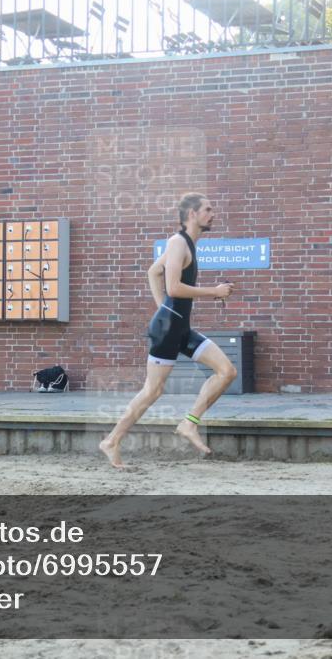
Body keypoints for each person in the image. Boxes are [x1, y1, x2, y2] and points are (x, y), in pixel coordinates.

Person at [100, 193, 236, 468]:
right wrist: (214, 292)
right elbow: (173, 286)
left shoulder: (187, 244)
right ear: (192, 215)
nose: (213, 214)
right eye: (208, 210)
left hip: (179, 327)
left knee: (227, 372)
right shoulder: (177, 243)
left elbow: (153, 271)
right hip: (168, 330)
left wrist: (164, 308)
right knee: (152, 391)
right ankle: (111, 441)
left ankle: (189, 423)